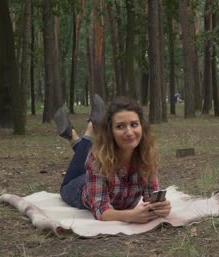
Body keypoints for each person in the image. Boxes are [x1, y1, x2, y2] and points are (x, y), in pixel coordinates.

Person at [53, 95, 171, 223]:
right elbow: (101, 211)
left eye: (134, 124)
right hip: (77, 187)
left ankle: (73, 136)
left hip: (96, 171)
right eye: (120, 126)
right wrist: (132, 216)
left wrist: (162, 207)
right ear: (111, 132)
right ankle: (90, 129)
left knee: (92, 155)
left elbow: (151, 198)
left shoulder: (147, 156)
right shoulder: (96, 160)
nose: (130, 132)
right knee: (93, 158)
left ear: (142, 127)